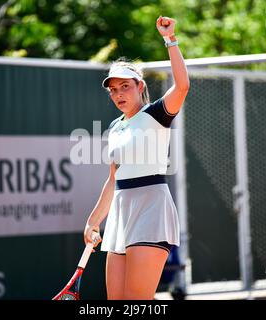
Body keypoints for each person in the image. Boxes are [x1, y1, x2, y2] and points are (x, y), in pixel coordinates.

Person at [84, 15, 189, 300]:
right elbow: (113, 179)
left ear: (140, 86)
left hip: (152, 208)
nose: (119, 94)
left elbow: (182, 86)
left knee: (137, 300)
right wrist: (94, 220)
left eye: (125, 86)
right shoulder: (115, 128)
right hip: (120, 213)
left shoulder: (155, 114)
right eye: (113, 90)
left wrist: (170, 40)